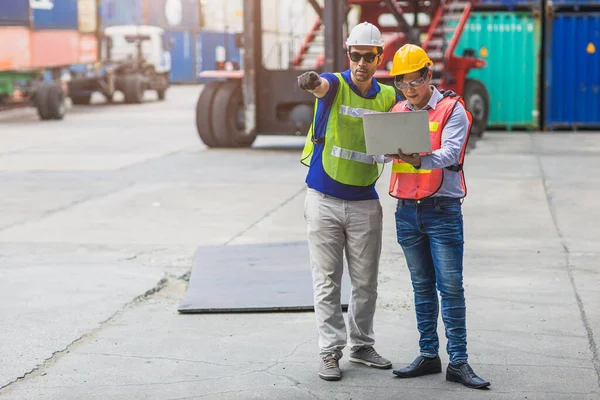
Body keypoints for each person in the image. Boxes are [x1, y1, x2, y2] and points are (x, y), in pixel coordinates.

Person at [297, 22, 400, 382]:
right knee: (327, 280)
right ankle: (329, 351)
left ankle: (361, 345)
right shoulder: (335, 84)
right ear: (348, 53)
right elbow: (320, 86)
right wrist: (311, 82)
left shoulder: (388, 98)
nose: (360, 63)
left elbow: (408, 124)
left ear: (378, 58)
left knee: (366, 282)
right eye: (355, 55)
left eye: (368, 57)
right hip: (324, 199)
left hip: (364, 202)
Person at [385, 44, 490, 389]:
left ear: (429, 75)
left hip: (442, 211)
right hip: (407, 211)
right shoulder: (398, 110)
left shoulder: (451, 109)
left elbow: (450, 153)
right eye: (403, 83)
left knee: (451, 287)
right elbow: (389, 158)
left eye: (415, 81)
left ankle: (458, 361)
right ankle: (429, 354)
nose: (409, 89)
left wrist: (420, 159)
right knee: (421, 287)